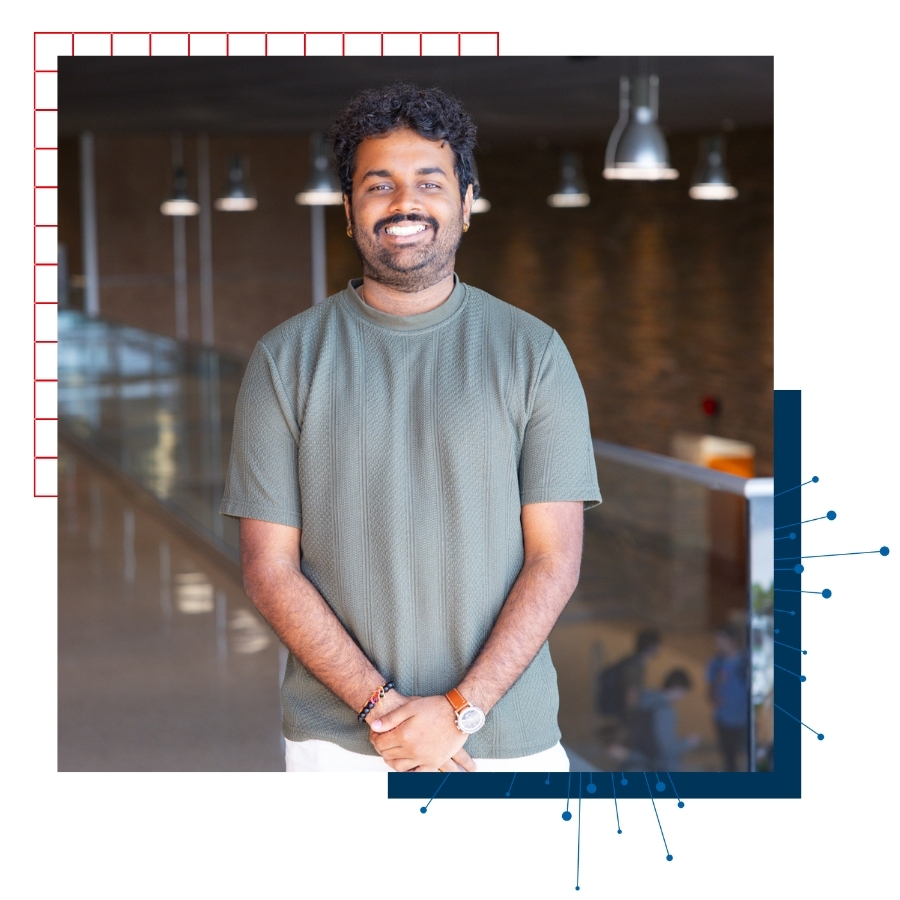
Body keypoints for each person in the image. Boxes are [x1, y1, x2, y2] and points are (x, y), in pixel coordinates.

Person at [220, 83, 601, 772]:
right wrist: (385, 710)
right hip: (341, 746)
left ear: (466, 202)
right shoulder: (285, 359)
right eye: (378, 185)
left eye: (430, 182)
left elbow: (555, 560)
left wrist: (460, 710)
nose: (405, 204)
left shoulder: (535, 352)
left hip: (503, 741)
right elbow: (269, 569)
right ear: (348, 210)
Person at [627, 668, 701, 771]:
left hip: (637, 759)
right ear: (678, 689)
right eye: (683, 693)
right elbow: (667, 748)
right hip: (657, 766)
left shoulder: (645, 698)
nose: (682, 698)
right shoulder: (665, 712)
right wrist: (688, 742)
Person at [707, 625, 749, 771]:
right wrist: (714, 697)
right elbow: (710, 687)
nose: (717, 644)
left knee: (748, 755)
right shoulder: (715, 662)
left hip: (745, 718)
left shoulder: (747, 661)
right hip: (723, 718)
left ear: (732, 640)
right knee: (729, 757)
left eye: (721, 640)